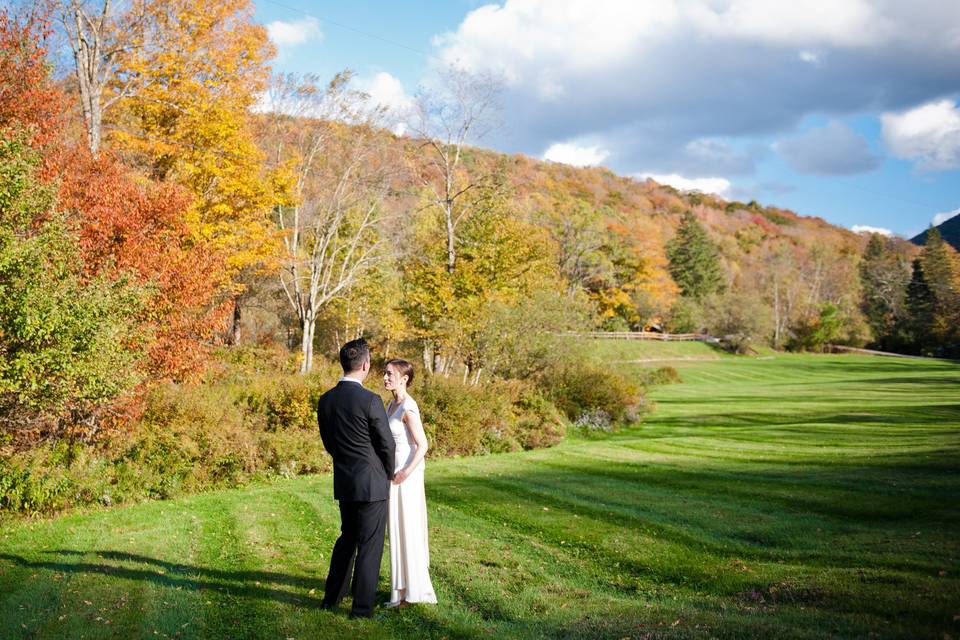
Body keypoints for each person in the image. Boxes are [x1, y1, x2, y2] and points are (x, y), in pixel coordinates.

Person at [317, 338, 395, 618]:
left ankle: (331, 599)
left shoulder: (325, 400)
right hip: (372, 482)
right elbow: (387, 444)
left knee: (347, 539)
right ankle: (361, 609)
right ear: (365, 365)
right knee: (370, 546)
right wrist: (387, 473)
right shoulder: (371, 400)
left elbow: (329, 442)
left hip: (345, 480)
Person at [382, 359, 437, 607]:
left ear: (404, 378)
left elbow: (423, 445)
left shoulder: (409, 408)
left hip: (406, 479)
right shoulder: (390, 403)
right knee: (397, 531)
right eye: (385, 373)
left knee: (408, 529)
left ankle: (415, 592)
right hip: (393, 476)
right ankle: (401, 591)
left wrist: (405, 472)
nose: (385, 377)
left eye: (390, 374)